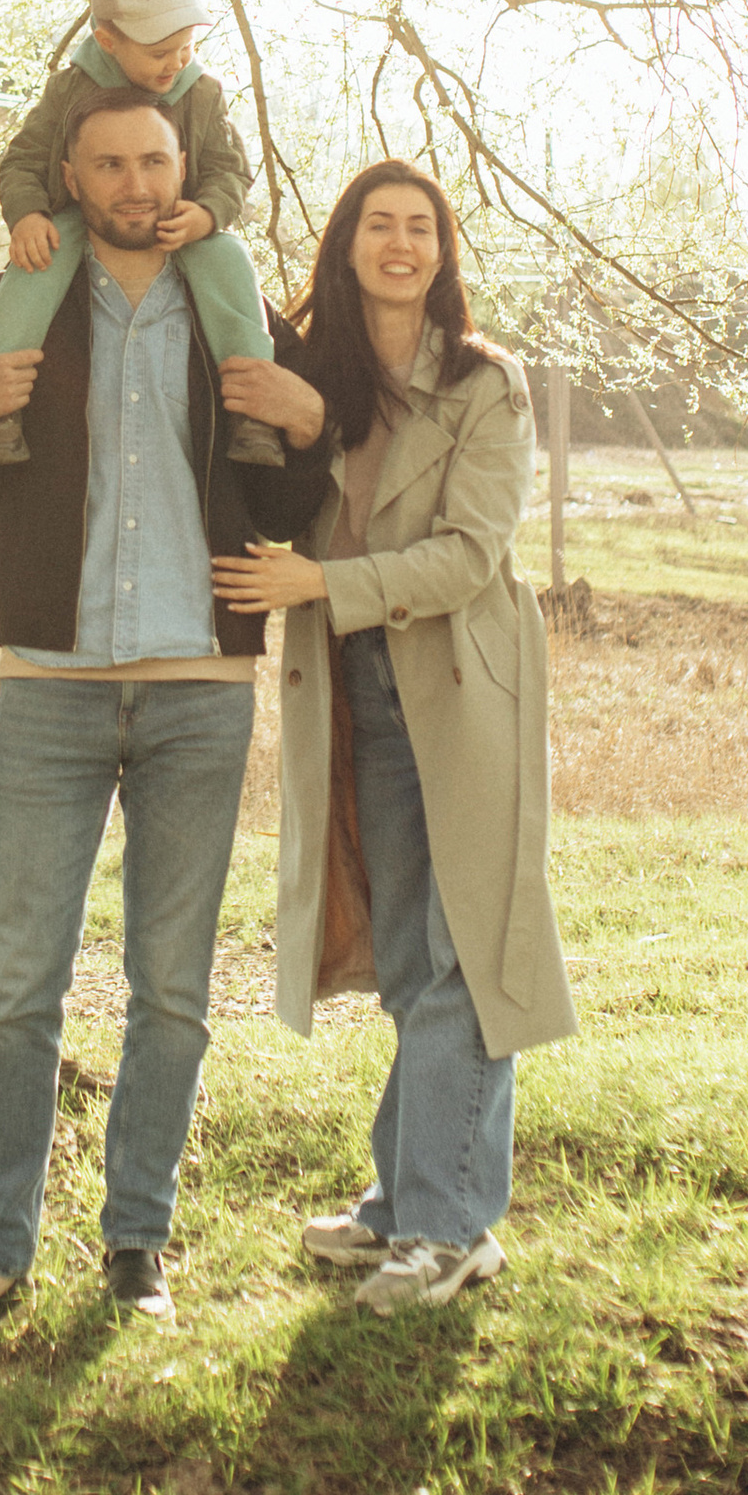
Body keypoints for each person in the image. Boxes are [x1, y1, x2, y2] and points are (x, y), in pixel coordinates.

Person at [0, 84, 333, 1378]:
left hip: (202, 693)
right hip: (50, 689)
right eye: (111, 163)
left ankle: (137, 1246)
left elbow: (297, 497)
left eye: (157, 159)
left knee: (173, 992)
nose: (139, 182)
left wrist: (309, 427)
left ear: (185, 166)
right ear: (69, 179)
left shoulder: (239, 312)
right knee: (19, 990)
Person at [212, 160, 576, 1315]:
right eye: (381, 225)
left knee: (463, 949)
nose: (401, 244)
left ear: (444, 250)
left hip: (461, 686)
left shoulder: (485, 384)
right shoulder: (313, 379)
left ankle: (449, 1224)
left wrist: (327, 577)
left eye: (422, 227)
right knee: (412, 951)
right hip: (354, 684)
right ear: (347, 243)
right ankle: (402, 1199)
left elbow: (473, 555)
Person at [0, 0, 283, 469]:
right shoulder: (70, 89)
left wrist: (207, 214)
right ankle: (0, 410)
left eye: (185, 45)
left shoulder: (201, 92)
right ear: (108, 42)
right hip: (82, 221)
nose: (176, 62)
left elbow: (230, 168)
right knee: (32, 272)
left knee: (229, 265)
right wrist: (27, 215)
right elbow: (22, 159)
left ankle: (253, 412)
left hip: (183, 222)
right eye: (160, 50)